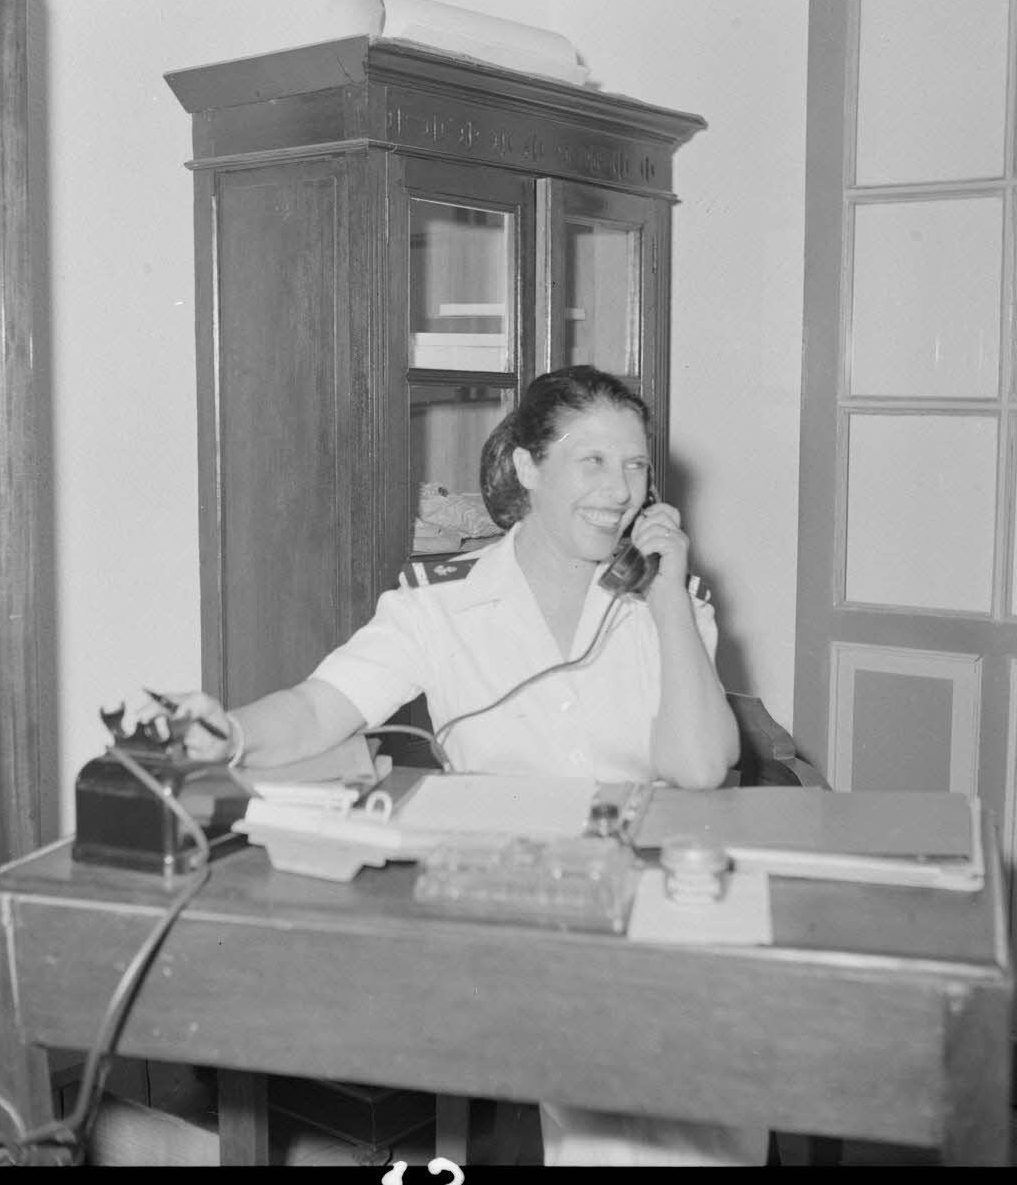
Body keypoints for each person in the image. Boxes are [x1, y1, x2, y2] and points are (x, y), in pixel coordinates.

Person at [153, 364, 766, 1165]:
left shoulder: (665, 600)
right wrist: (226, 732)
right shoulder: (436, 605)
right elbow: (318, 708)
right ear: (525, 468)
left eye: (635, 465)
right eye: (592, 462)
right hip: (518, 908)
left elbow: (699, 766)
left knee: (707, 1098)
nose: (619, 491)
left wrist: (668, 599)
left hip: (654, 897)